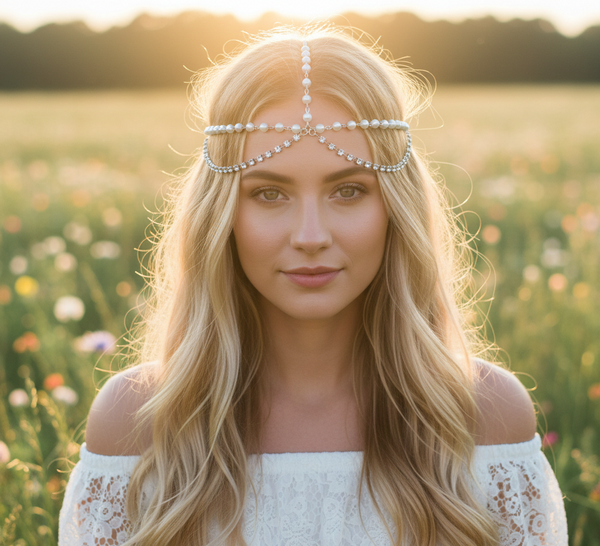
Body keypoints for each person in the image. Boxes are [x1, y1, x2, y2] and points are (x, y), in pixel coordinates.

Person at [58, 28, 568, 546]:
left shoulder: (485, 417)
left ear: (396, 207)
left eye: (348, 190)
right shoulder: (137, 422)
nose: (310, 237)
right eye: (269, 193)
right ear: (221, 213)